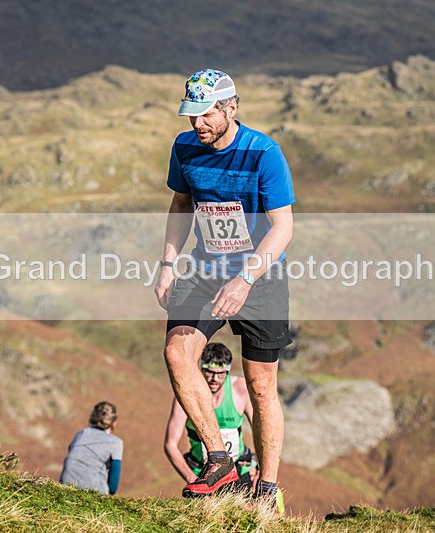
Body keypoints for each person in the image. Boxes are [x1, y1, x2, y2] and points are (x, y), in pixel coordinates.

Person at [154, 68, 295, 505]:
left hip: (261, 276)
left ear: (231, 107)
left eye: (206, 114)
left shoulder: (264, 153)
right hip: (205, 269)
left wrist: (245, 278)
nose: (198, 124)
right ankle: (219, 461)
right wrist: (167, 264)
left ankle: (266, 489)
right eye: (191, 115)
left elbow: (283, 227)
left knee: (259, 384)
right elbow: (181, 205)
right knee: (177, 352)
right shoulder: (184, 148)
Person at [164, 342, 257, 492]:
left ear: (227, 371)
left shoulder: (240, 390)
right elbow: (170, 444)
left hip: (239, 468)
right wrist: (191, 479)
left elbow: (261, 433)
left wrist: (259, 470)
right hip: (201, 472)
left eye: (220, 374)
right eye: (209, 372)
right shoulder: (186, 396)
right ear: (201, 369)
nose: (214, 379)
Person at [60, 401, 123, 495]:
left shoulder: (80, 434)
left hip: (65, 485)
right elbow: (113, 485)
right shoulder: (115, 442)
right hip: (94, 490)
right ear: (114, 422)